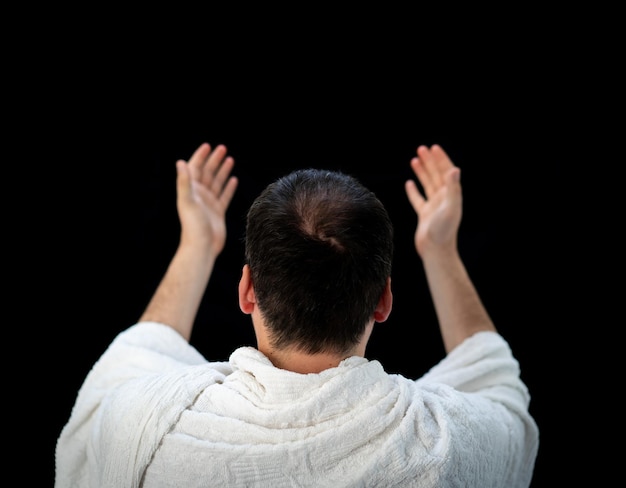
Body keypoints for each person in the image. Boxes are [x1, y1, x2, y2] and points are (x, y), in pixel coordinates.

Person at [55, 142, 539, 487]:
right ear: (385, 300)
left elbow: (138, 352)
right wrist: (440, 250)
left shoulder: (142, 426)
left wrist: (198, 245)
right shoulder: (447, 444)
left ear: (246, 291)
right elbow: (497, 384)